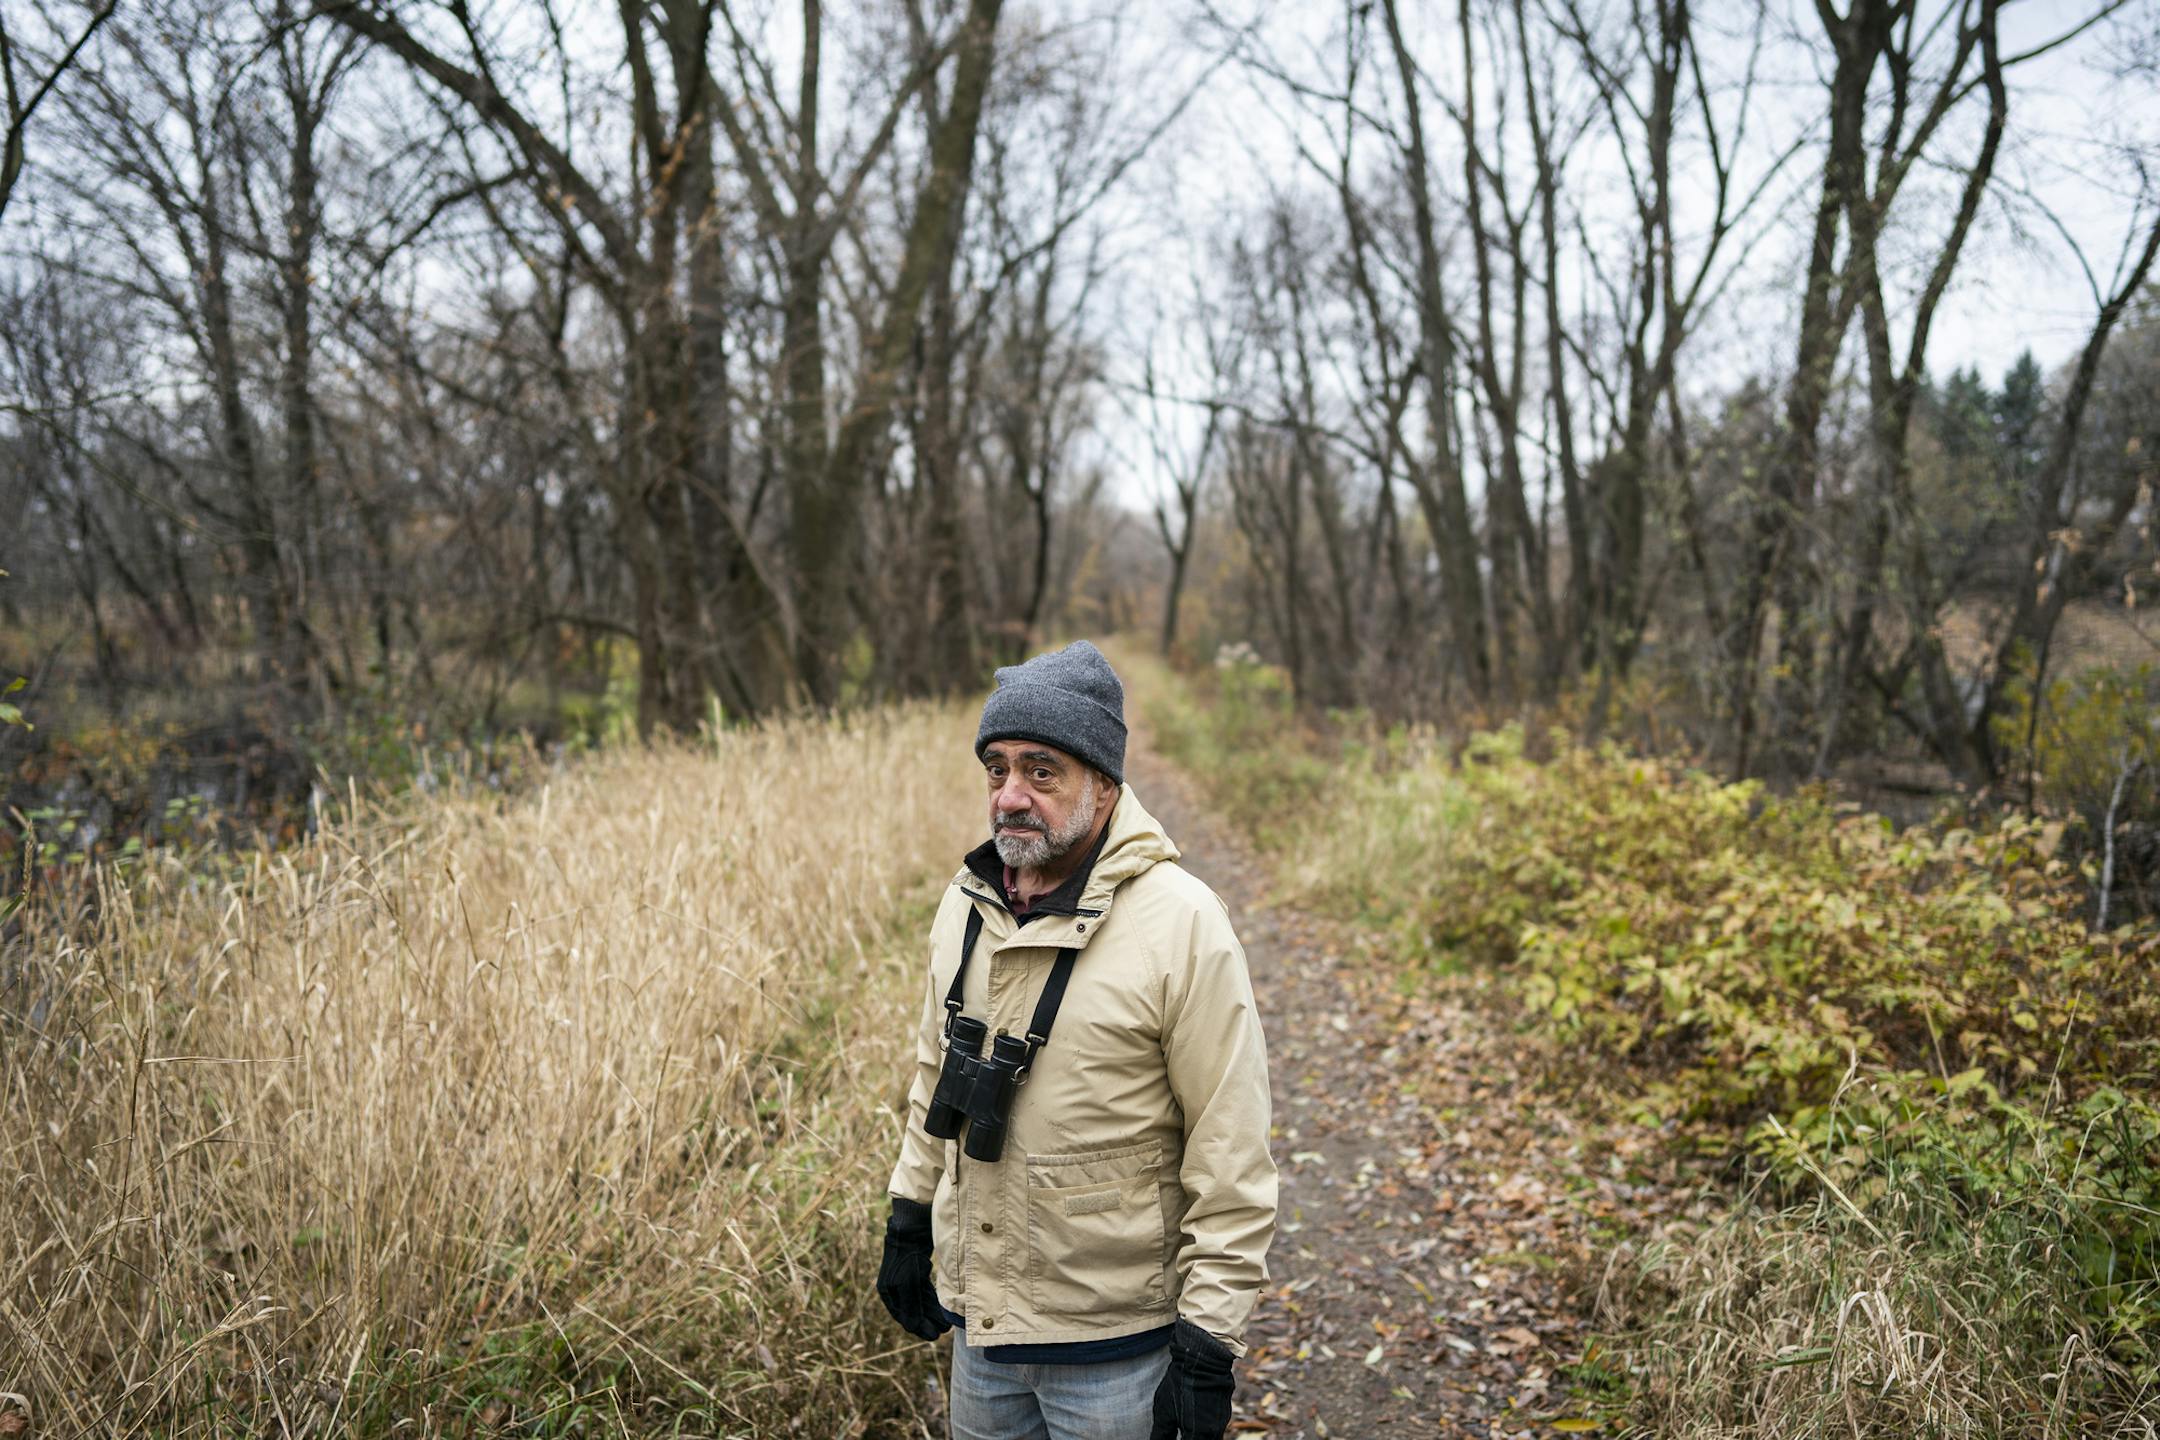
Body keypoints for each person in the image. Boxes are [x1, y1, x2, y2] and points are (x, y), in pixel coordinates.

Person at [879, 639, 1278, 1440]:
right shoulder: (966, 905)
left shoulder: (1183, 922)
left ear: (1103, 784)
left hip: (1117, 1351)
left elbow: (1228, 1143)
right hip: (982, 1335)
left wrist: (1208, 1342)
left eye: (1042, 771)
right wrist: (909, 1211)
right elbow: (935, 1076)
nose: (1010, 796)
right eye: (997, 769)